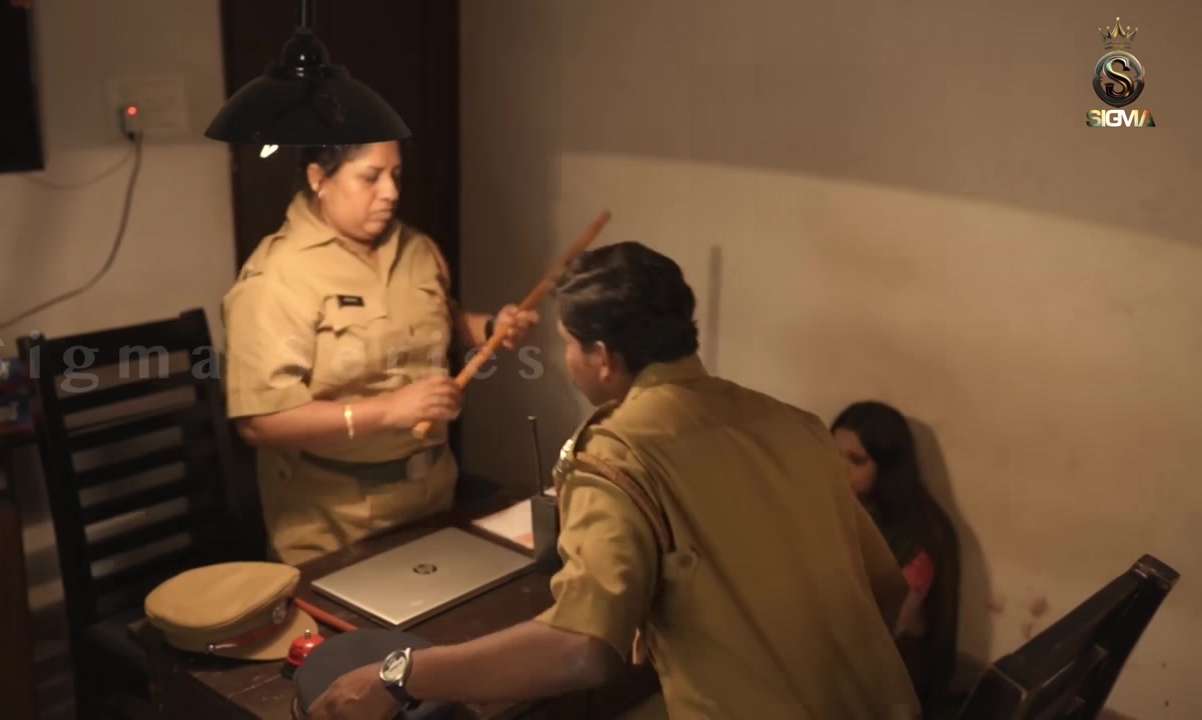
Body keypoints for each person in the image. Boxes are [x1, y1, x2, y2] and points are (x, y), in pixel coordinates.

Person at [306, 241, 919, 720]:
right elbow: (885, 589)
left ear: (601, 356)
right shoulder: (795, 425)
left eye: (567, 344)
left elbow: (581, 649)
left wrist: (402, 674)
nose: (565, 359)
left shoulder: (617, 454)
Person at [221, 141, 538, 565]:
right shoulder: (277, 276)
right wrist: (388, 411)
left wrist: (491, 328)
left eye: (396, 175)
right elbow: (261, 422)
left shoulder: (416, 248)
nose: (390, 192)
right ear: (319, 179)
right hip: (335, 522)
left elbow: (441, 319)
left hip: (432, 499)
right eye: (371, 177)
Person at [831, 401, 961, 712]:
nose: (838, 469)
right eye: (832, 454)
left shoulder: (917, 539)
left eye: (856, 460)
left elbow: (885, 630)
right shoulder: (847, 503)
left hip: (891, 673)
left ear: (888, 467)